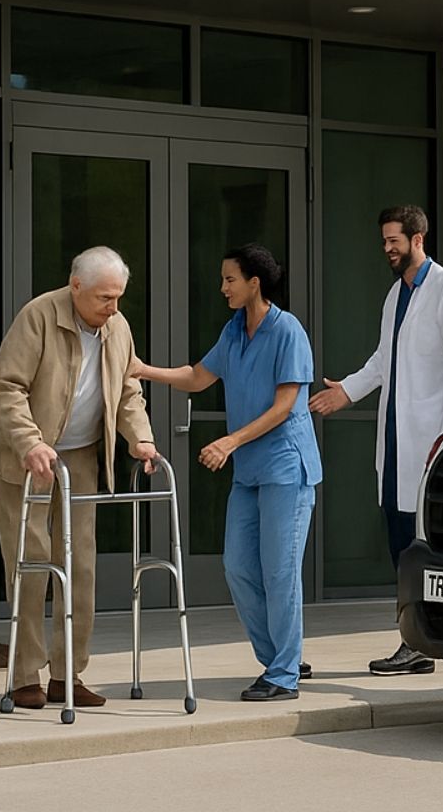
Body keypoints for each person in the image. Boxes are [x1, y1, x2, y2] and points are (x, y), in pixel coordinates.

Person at [135, 244, 321, 702]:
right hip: (249, 473)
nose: (223, 288)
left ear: (254, 282)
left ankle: (282, 675)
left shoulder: (287, 331)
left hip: (285, 467)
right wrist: (141, 370)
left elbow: (285, 406)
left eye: (229, 280)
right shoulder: (234, 330)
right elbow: (198, 376)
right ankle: (282, 657)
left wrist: (229, 441)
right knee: (237, 567)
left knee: (280, 572)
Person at [0, 246, 161, 711]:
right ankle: (25, 676)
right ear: (75, 286)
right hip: (26, 459)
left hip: (80, 457)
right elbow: (8, 386)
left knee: (81, 566)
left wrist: (140, 438)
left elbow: (127, 391)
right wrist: (30, 443)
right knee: (32, 560)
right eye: (105, 297)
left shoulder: (117, 327)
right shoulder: (39, 316)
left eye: (119, 297)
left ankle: (68, 674)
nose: (113, 307)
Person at [309, 205, 443, 676]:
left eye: (394, 241)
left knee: (421, 546)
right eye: (384, 241)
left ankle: (422, 641)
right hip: (395, 443)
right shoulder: (395, 296)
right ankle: (417, 641)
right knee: (400, 545)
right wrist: (345, 391)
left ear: (418, 238)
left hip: (430, 442)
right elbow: (384, 360)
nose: (386, 249)